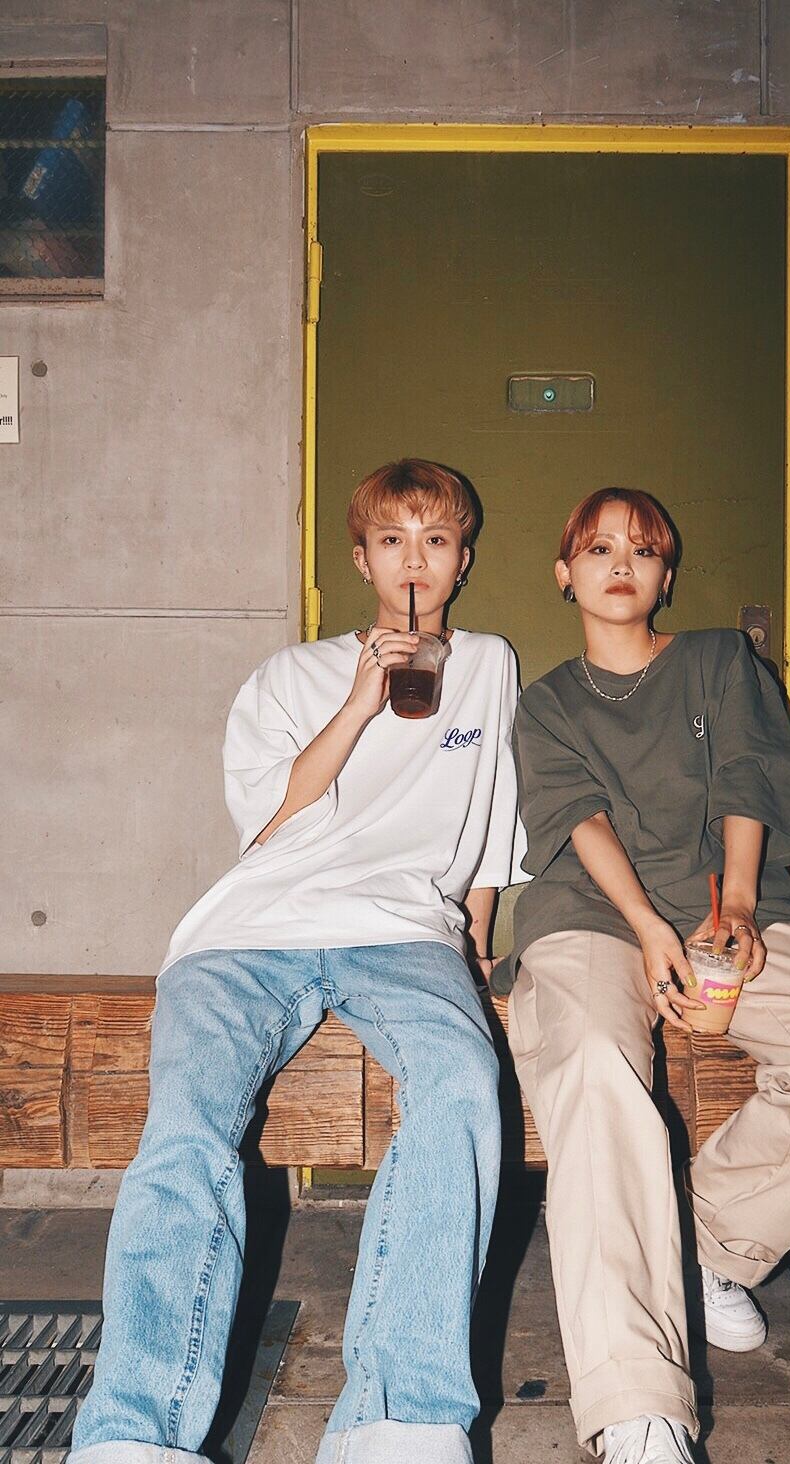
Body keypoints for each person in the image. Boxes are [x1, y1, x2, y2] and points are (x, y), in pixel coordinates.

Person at [71, 459, 524, 1464]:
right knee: (186, 1125)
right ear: (361, 559)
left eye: (437, 540)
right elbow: (267, 825)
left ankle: (401, 1417)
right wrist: (359, 701)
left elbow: (490, 821)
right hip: (252, 925)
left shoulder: (488, 665)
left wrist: (474, 938)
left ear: (462, 561)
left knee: (460, 1084)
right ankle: (135, 1435)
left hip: (404, 927)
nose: (416, 561)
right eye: (394, 541)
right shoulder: (287, 677)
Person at [492, 488, 790, 1463]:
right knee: (594, 1066)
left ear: (666, 574)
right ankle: (640, 1412)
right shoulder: (545, 701)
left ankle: (710, 1245)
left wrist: (740, 908)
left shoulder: (723, 660)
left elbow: (748, 778)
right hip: (593, 914)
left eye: (643, 549)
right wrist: (645, 927)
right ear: (564, 574)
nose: (620, 563)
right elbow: (577, 817)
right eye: (598, 548)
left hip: (731, 906)